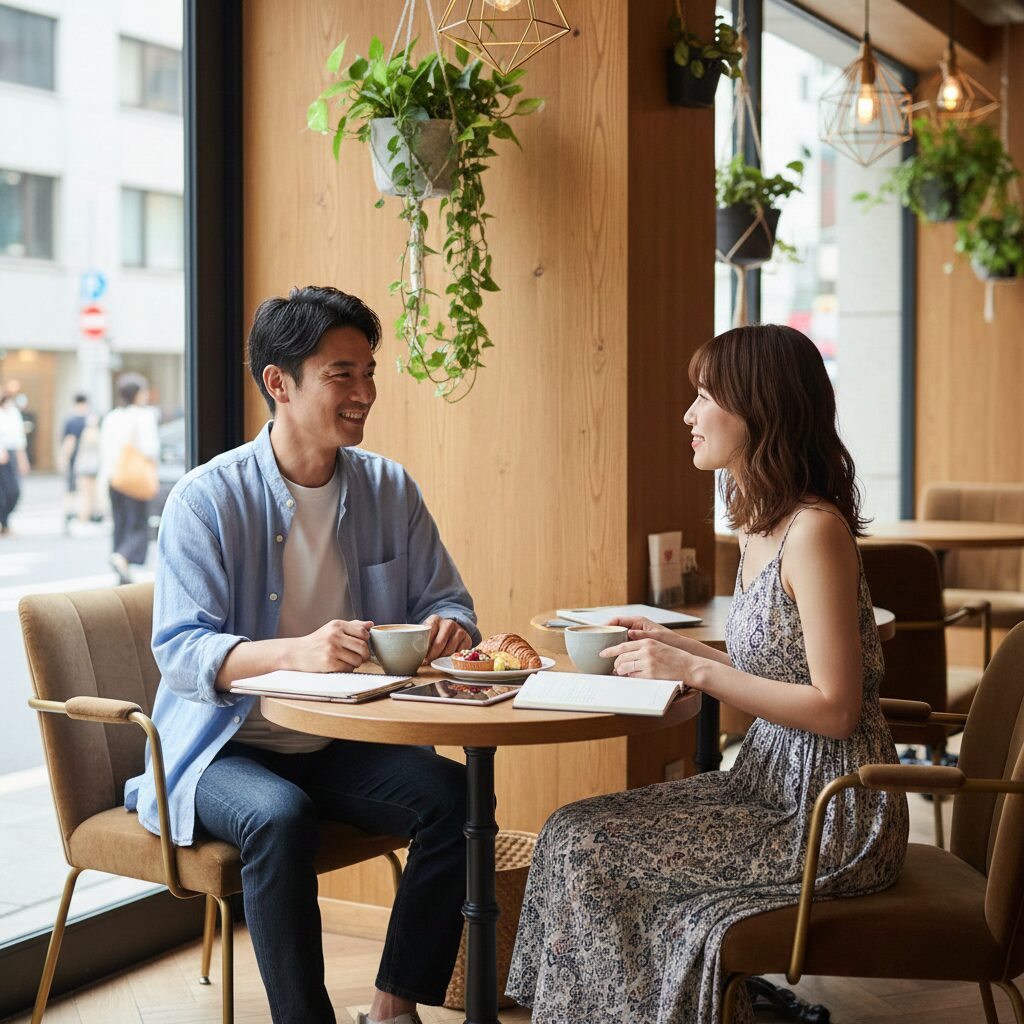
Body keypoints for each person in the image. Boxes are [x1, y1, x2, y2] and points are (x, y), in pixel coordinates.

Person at [506, 325, 909, 1024]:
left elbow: (836, 708)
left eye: (705, 396)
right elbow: (776, 671)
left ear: (760, 409)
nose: (689, 414)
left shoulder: (814, 531)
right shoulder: (761, 525)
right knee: (569, 829)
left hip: (832, 810)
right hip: (769, 784)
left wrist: (694, 667)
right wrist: (674, 646)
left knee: (588, 843)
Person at [124, 285, 477, 1024]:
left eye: (368, 372)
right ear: (278, 383)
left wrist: (449, 627)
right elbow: (182, 653)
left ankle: (393, 1007)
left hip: (339, 739)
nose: (365, 392)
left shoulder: (389, 488)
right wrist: (299, 653)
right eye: (341, 374)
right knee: (281, 818)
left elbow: (449, 600)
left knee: (458, 796)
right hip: (222, 749)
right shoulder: (205, 499)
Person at [99, 373, 159, 583]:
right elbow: (150, 449)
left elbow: (105, 450)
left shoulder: (112, 417)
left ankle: (119, 561)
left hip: (114, 477)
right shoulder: (143, 416)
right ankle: (123, 557)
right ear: (137, 394)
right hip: (135, 478)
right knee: (138, 523)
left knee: (120, 522)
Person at [59, 393, 91, 530]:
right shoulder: (91, 420)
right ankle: (82, 516)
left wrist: (63, 459)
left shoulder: (71, 421)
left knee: (71, 488)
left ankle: (68, 513)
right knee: (86, 489)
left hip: (75, 459)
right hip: (89, 461)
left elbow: (68, 442)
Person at [0, 387, 29, 535]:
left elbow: (19, 439)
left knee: (14, 491)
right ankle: (4, 524)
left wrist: (23, 459)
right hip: (2, 453)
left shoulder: (13, 413)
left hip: (10, 454)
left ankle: (4, 520)